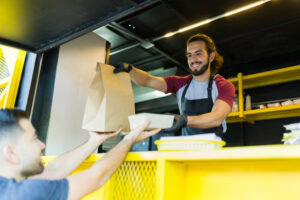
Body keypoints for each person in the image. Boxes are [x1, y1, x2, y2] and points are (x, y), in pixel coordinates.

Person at [0, 109, 160, 200]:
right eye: (34, 139)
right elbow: (97, 176)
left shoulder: (7, 188)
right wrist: (130, 139)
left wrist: (94, 141)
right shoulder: (22, 195)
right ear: (11, 153)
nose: (42, 145)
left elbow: (53, 170)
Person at [113, 33, 235, 137]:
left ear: (211, 56)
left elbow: (217, 117)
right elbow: (147, 80)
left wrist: (185, 120)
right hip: (186, 149)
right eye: (189, 55)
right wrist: (130, 70)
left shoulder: (223, 86)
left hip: (213, 150)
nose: (193, 59)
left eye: (198, 53)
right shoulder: (179, 84)